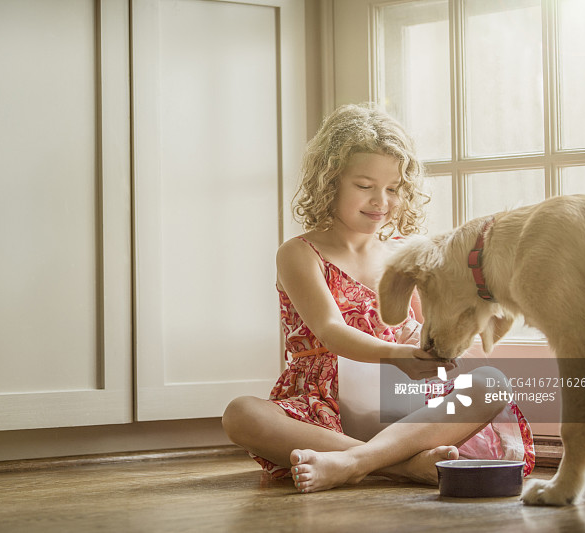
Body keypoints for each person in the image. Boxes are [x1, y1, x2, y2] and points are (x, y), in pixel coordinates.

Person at [221, 103, 535, 493]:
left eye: (393, 189)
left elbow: (421, 331)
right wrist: (397, 355)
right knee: (240, 414)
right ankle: (402, 467)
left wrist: (431, 345)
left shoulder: (404, 253)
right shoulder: (299, 253)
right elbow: (331, 330)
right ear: (329, 182)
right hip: (323, 410)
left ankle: (356, 462)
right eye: (365, 186)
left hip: (404, 407)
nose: (380, 201)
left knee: (492, 382)